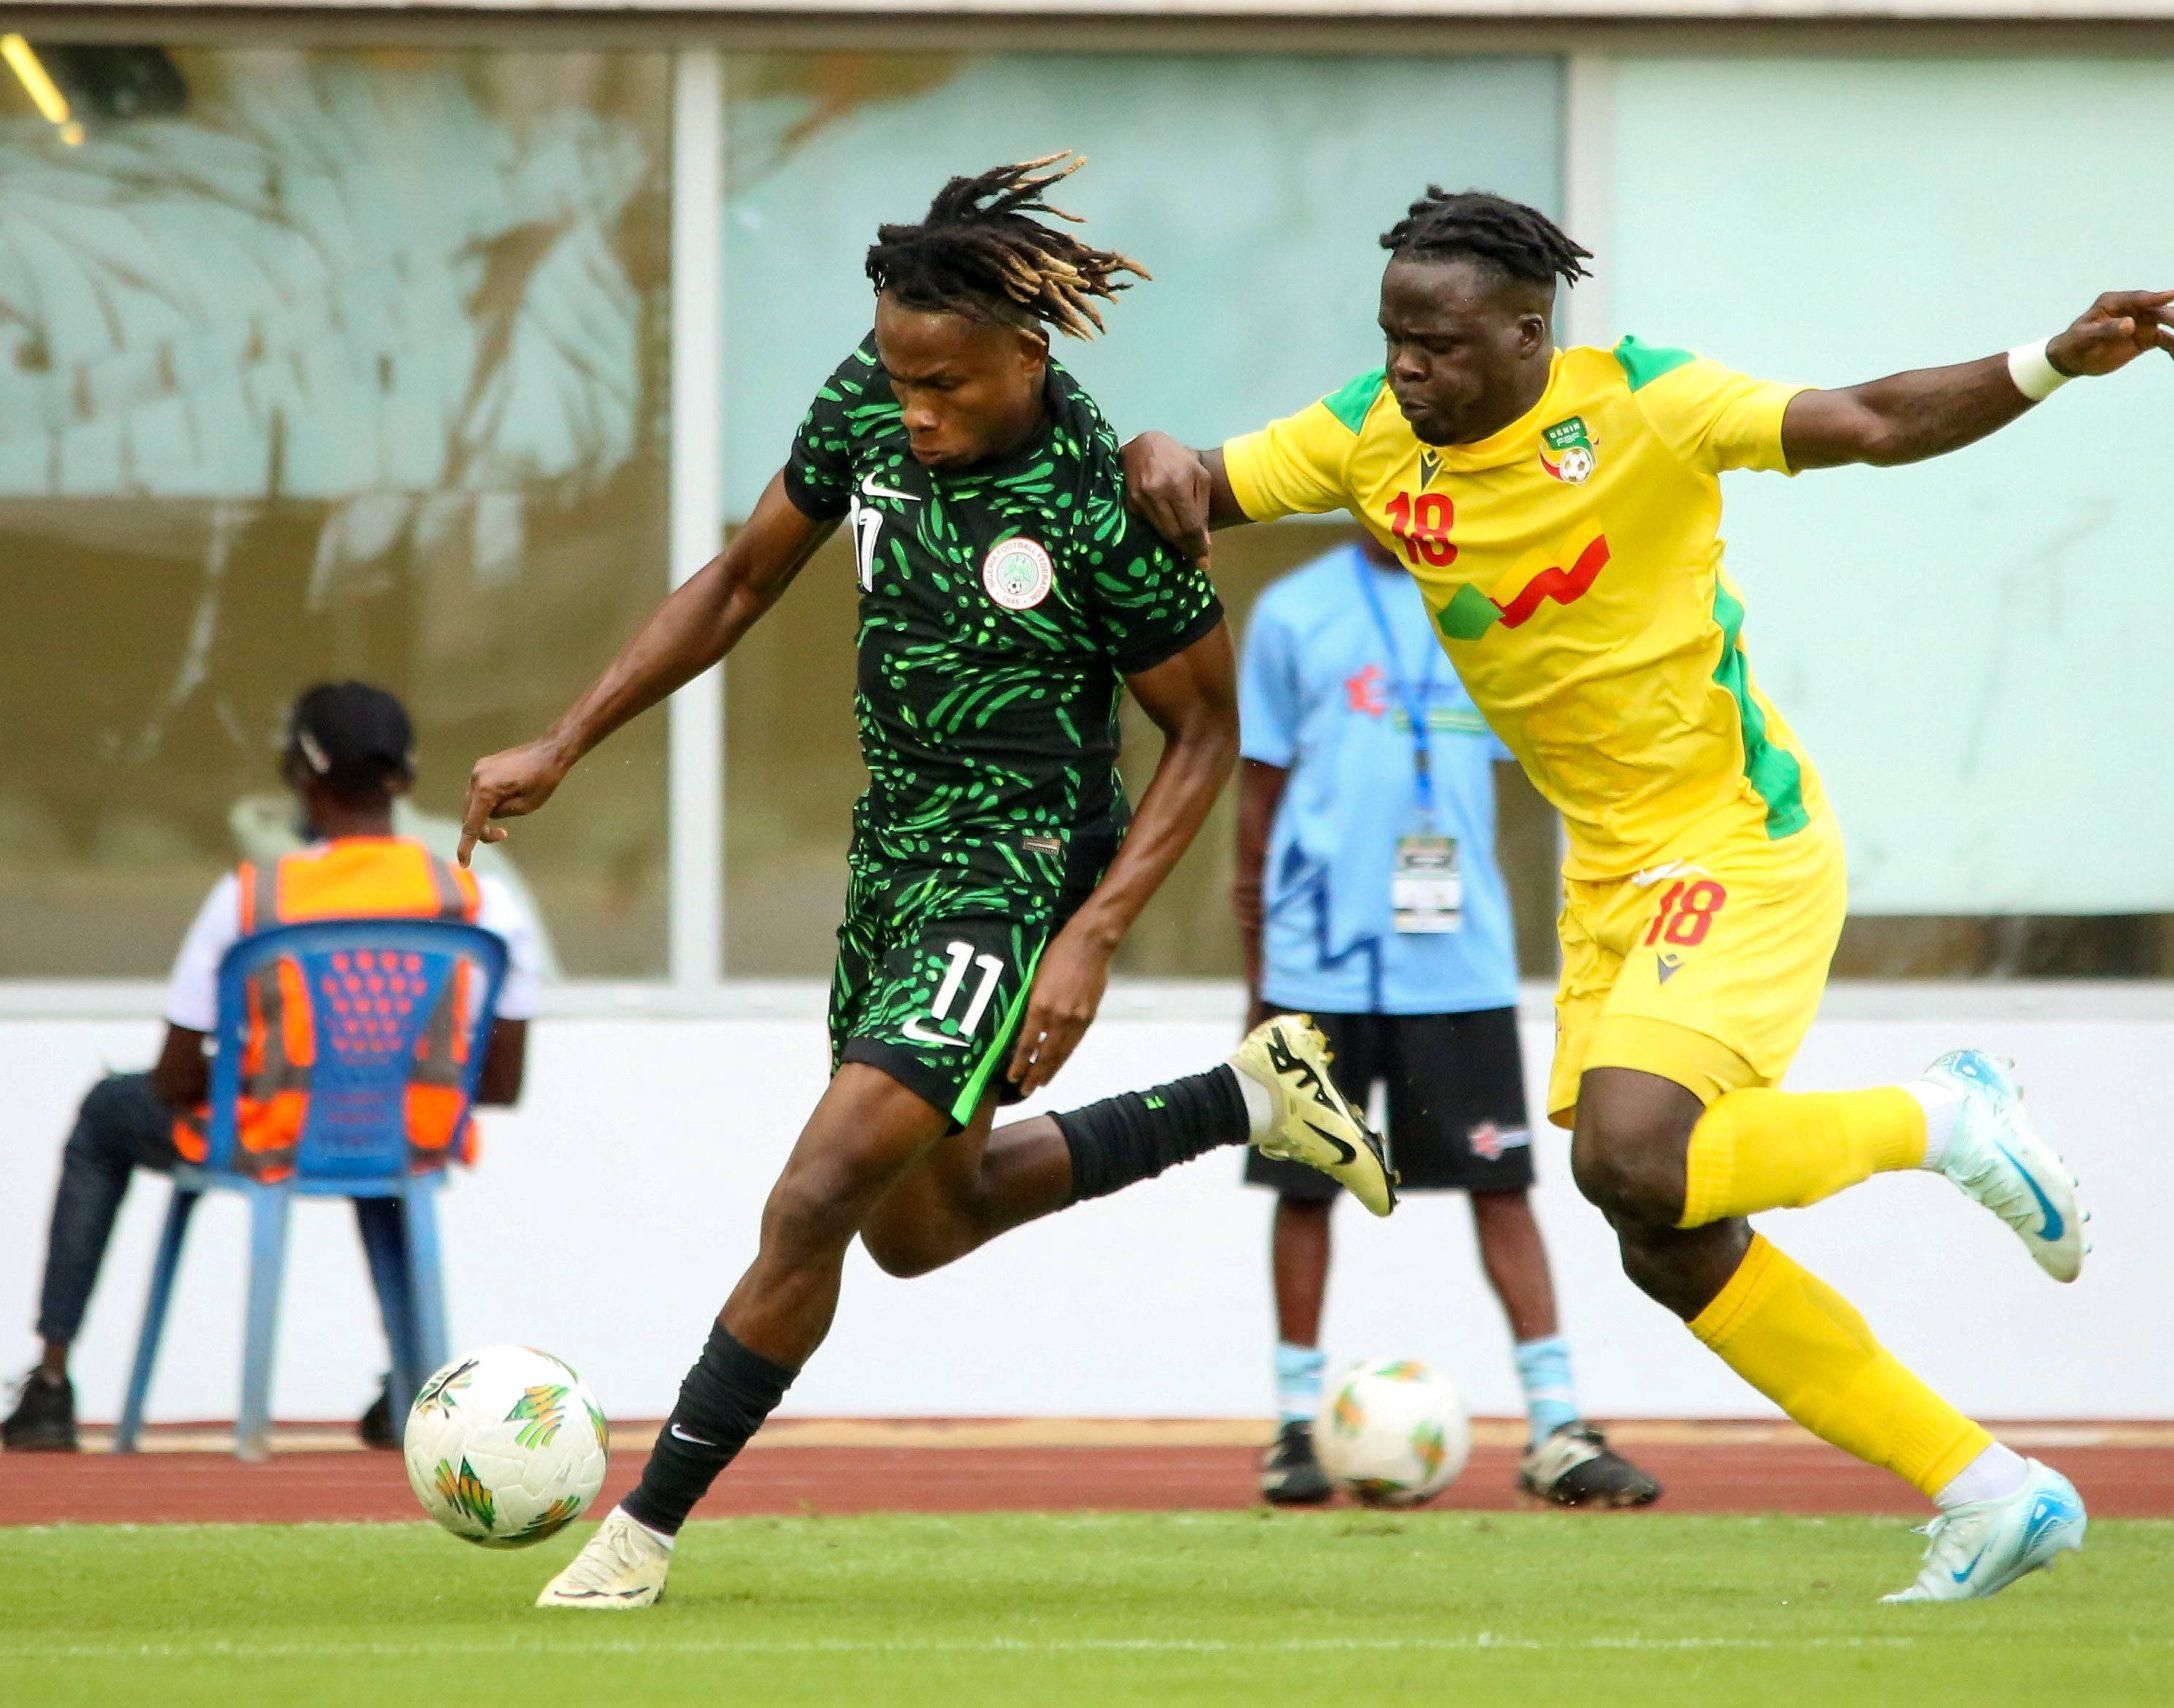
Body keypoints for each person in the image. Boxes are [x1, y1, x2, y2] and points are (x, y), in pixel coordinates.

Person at [1122, 187, 2174, 1601]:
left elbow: (1872, 421)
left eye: (1439, 344)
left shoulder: (1641, 403)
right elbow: (1194, 482)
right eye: (1394, 336)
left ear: (1528, 333)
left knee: (1629, 1157)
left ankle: (1943, 1115)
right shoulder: (1367, 436)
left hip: (1736, 840)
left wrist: (2049, 361)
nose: (1407, 368)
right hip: (1611, 874)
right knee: (1667, 1238)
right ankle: (1989, 1489)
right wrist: (1150, 451)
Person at [455, 157, 1391, 1611]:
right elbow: (742, 579)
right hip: (894, 856)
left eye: (944, 384)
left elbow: (1206, 732)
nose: (915, 410)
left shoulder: (1103, 506)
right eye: (899, 376)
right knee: (916, 1226)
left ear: (1029, 352)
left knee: (817, 1190)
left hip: (1017, 873)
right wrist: (565, 741)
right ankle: (1251, 1098)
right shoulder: (871, 401)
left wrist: (1090, 938)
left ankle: (638, 1535)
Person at [3, 682, 542, 1453]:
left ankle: (50, 1386)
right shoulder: (482, 904)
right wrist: (374, 1073)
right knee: (371, 1129)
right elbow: (498, 1085)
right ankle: (414, 1386)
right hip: (409, 1137)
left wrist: (276, 1069)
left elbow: (173, 1081)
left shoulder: (252, 900)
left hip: (265, 1137)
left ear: (302, 778)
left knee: (104, 1110)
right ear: (407, 779)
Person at [1234, 533, 1657, 1508]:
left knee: (1500, 1187)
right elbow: (1255, 797)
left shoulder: (1495, 606)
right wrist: (1260, 971)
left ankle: (1555, 1427)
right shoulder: (1296, 614)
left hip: (1456, 957)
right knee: (1304, 1189)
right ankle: (1296, 1425)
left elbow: (1571, 765)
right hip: (1320, 960)